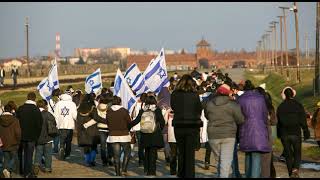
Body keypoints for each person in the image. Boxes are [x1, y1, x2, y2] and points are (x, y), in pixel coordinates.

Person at [205, 84, 245, 178]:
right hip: (228, 135)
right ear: (228, 93)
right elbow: (240, 119)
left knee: (219, 161)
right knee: (226, 162)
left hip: (213, 135)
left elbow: (207, 116)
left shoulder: (209, 103)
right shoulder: (232, 104)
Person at [170, 74, 203, 178]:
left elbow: (173, 107)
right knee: (190, 154)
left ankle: (181, 174)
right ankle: (189, 175)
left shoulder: (174, 94)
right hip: (192, 126)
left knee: (181, 152)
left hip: (179, 125)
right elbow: (199, 108)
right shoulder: (195, 94)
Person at [237, 80, 271, 178]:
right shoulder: (260, 98)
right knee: (256, 156)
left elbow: (239, 116)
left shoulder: (240, 99)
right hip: (259, 129)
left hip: (245, 129)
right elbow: (265, 114)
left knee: (248, 155)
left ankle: (248, 176)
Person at [277, 87, 310, 178]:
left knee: (288, 154)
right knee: (297, 152)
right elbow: (303, 119)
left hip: (284, 133)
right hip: (296, 132)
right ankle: (295, 169)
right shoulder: (298, 105)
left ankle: (290, 174)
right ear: (293, 94)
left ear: (285, 95)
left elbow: (278, 122)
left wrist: (278, 134)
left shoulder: (281, 106)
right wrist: (305, 131)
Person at [130, 95, 165, 176]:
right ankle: (152, 171)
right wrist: (159, 129)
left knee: (146, 152)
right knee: (153, 152)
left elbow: (136, 120)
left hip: (144, 134)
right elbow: (162, 122)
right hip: (154, 134)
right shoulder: (157, 110)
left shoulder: (142, 110)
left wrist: (128, 126)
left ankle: (146, 169)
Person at [16, 92, 43, 178]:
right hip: (32, 136)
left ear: (27, 98)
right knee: (29, 155)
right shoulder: (36, 110)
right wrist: (37, 136)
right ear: (34, 99)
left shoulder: (20, 108)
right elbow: (40, 125)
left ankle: (21, 170)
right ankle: (27, 173)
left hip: (22, 136)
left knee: (22, 154)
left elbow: (16, 122)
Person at [106, 96, 132, 176]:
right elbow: (129, 122)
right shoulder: (124, 111)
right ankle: (124, 169)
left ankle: (117, 173)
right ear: (120, 102)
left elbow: (108, 123)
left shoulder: (109, 111)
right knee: (127, 152)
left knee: (116, 155)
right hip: (124, 134)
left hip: (113, 135)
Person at [256, 87, 277, 178]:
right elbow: (274, 122)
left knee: (255, 160)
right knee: (266, 162)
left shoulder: (254, 106)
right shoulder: (270, 108)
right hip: (267, 135)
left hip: (255, 134)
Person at [33, 100, 56, 174]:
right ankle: (47, 168)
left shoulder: (34, 114)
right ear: (44, 106)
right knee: (48, 153)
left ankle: (36, 164)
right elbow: (54, 123)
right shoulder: (48, 114)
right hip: (48, 137)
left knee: (38, 152)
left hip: (38, 137)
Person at [54, 91, 77, 160]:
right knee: (68, 141)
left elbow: (55, 115)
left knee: (62, 139)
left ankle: (61, 148)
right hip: (70, 125)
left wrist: (56, 124)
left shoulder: (58, 104)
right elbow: (74, 115)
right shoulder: (72, 104)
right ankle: (67, 154)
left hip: (61, 125)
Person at [76, 97, 100, 167]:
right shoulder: (93, 108)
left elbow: (77, 120)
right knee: (93, 146)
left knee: (86, 147)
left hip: (82, 130)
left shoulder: (79, 109)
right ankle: (92, 160)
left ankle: (87, 161)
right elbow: (96, 118)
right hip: (93, 130)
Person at [0, 104, 21, 178]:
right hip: (13, 142)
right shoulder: (15, 119)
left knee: (6, 158)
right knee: (14, 157)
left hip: (3, 141)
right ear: (11, 110)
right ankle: (7, 169)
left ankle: (6, 172)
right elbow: (18, 132)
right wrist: (19, 141)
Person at [131, 93, 147, 166]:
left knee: (140, 145)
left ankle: (141, 160)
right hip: (146, 127)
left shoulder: (136, 105)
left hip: (137, 127)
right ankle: (146, 159)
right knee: (146, 144)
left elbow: (133, 115)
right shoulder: (147, 106)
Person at [49, 89, 61, 154]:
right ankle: (56, 148)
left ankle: (53, 147)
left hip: (51, 118)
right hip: (57, 119)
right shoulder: (59, 101)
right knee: (57, 135)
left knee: (52, 134)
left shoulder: (49, 100)